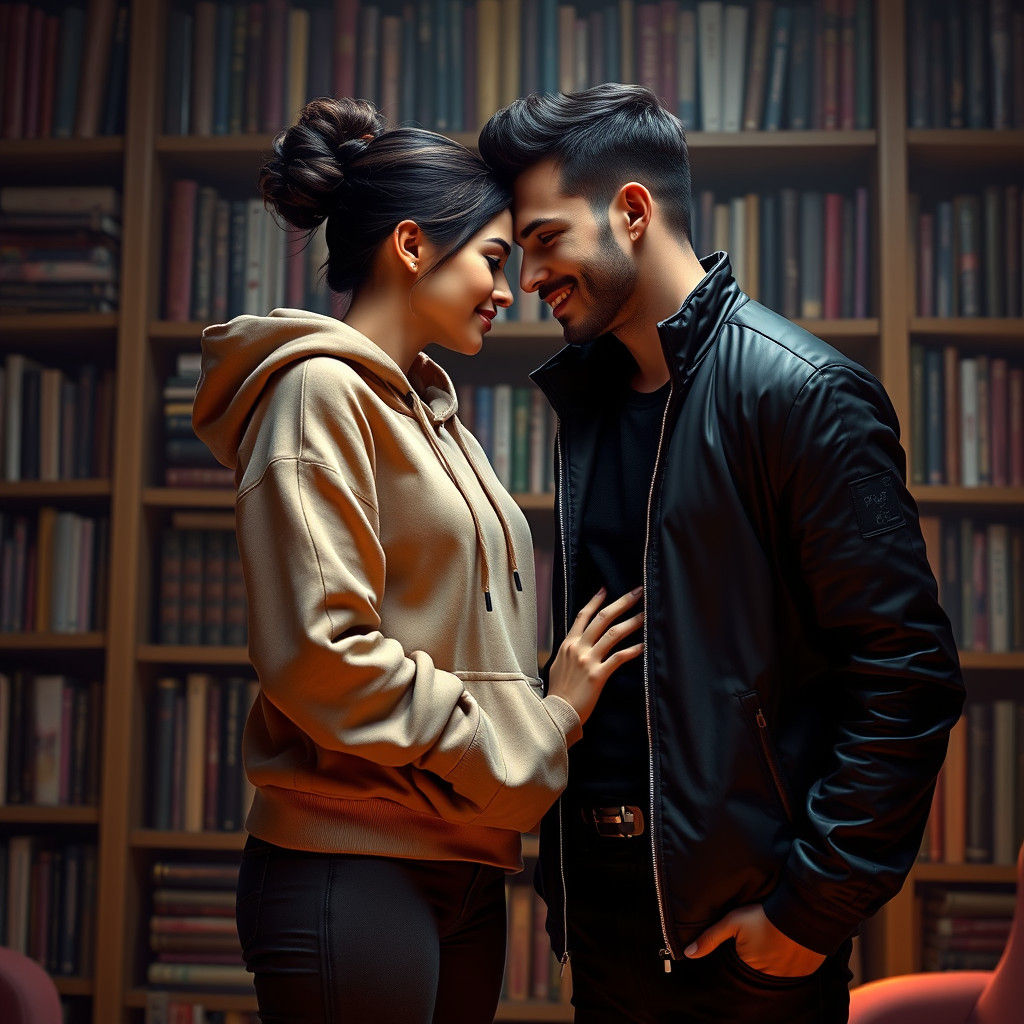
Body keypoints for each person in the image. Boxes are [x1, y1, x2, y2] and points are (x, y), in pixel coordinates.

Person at [478, 83, 966, 1024]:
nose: (527, 277)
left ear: (631, 210)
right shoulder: (589, 404)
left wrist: (808, 912)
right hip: (610, 922)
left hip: (751, 945)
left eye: (544, 239)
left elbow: (908, 676)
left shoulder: (804, 393)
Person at [191, 96, 644, 1024]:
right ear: (408, 246)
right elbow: (322, 655)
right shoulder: (317, 393)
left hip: (464, 866)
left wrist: (547, 713)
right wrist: (527, 735)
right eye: (490, 258)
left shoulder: (434, 415)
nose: (509, 288)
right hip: (349, 864)